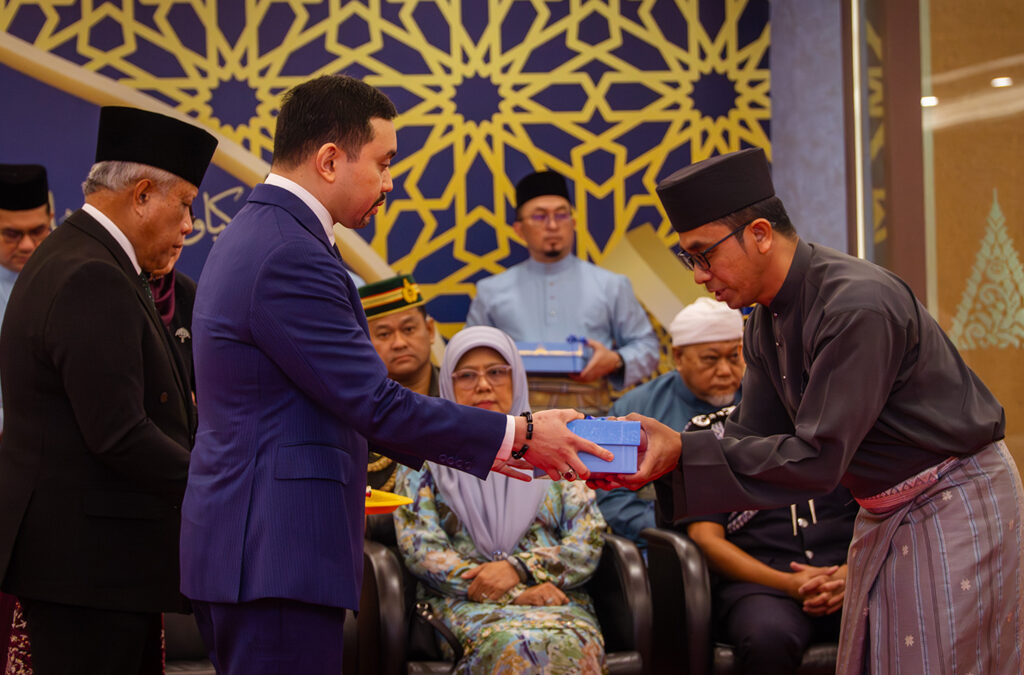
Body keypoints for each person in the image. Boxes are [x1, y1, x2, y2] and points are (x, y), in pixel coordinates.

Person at [179, 74, 610, 675]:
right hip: (273, 550)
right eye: (383, 163)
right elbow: (374, 402)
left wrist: (508, 441)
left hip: (260, 547)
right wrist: (519, 434)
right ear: (330, 159)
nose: (390, 182)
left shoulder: (273, 233)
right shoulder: (287, 251)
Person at [598, 147, 1024, 673]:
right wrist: (657, 461)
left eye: (704, 255)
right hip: (882, 509)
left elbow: (818, 457)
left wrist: (681, 453)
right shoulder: (764, 321)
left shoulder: (855, 304)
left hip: (948, 499)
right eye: (691, 260)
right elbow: (749, 438)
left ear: (759, 233)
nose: (699, 276)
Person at [0, 107, 217, 674]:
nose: (189, 225)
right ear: (142, 194)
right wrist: (222, 484)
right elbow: (119, 434)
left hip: (96, 569)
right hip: (87, 570)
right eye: (185, 204)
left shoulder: (80, 254)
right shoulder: (91, 273)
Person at [393, 325, 607, 674]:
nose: (483, 385)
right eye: (466, 376)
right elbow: (421, 549)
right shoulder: (423, 456)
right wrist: (512, 594)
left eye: (496, 372)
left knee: (567, 642)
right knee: (513, 645)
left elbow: (588, 539)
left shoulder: (555, 450)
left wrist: (520, 569)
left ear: (516, 378)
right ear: (447, 383)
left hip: (555, 598)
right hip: (464, 602)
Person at [678, 407, 857, 675]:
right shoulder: (712, 433)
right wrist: (787, 583)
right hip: (760, 584)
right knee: (768, 637)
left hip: (850, 576)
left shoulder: (849, 423)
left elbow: (885, 516)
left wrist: (850, 574)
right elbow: (706, 539)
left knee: (897, 618)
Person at [466, 170, 659, 414]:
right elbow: (469, 356)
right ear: (519, 229)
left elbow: (647, 347)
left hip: (590, 412)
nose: (553, 225)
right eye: (539, 216)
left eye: (561, 214)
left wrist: (616, 360)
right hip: (516, 416)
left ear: (573, 223)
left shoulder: (611, 285)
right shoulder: (491, 291)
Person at [596, 297, 744, 548]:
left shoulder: (761, 402)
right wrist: (679, 537)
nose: (725, 370)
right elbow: (615, 498)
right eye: (710, 359)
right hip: (668, 546)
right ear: (678, 357)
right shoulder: (636, 411)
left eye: (734, 357)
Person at [0, 164, 52, 675]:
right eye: (11, 234)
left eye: (39, 230)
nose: (28, 244)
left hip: (45, 493)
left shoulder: (70, 277)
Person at [359, 274, 439, 491]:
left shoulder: (460, 394)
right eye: (384, 334)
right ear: (364, 341)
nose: (399, 343)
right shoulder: (356, 410)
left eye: (408, 329)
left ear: (430, 330)